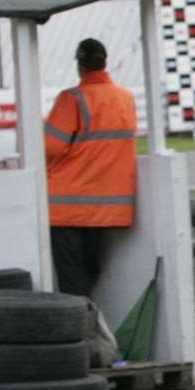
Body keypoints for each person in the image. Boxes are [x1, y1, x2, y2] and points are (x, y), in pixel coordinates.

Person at [42, 38, 138, 300]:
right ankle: (90, 326)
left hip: (67, 208)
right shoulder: (126, 99)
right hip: (108, 209)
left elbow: (50, 148)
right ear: (105, 62)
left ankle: (82, 333)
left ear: (80, 66)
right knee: (88, 271)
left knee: (72, 281)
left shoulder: (71, 99)